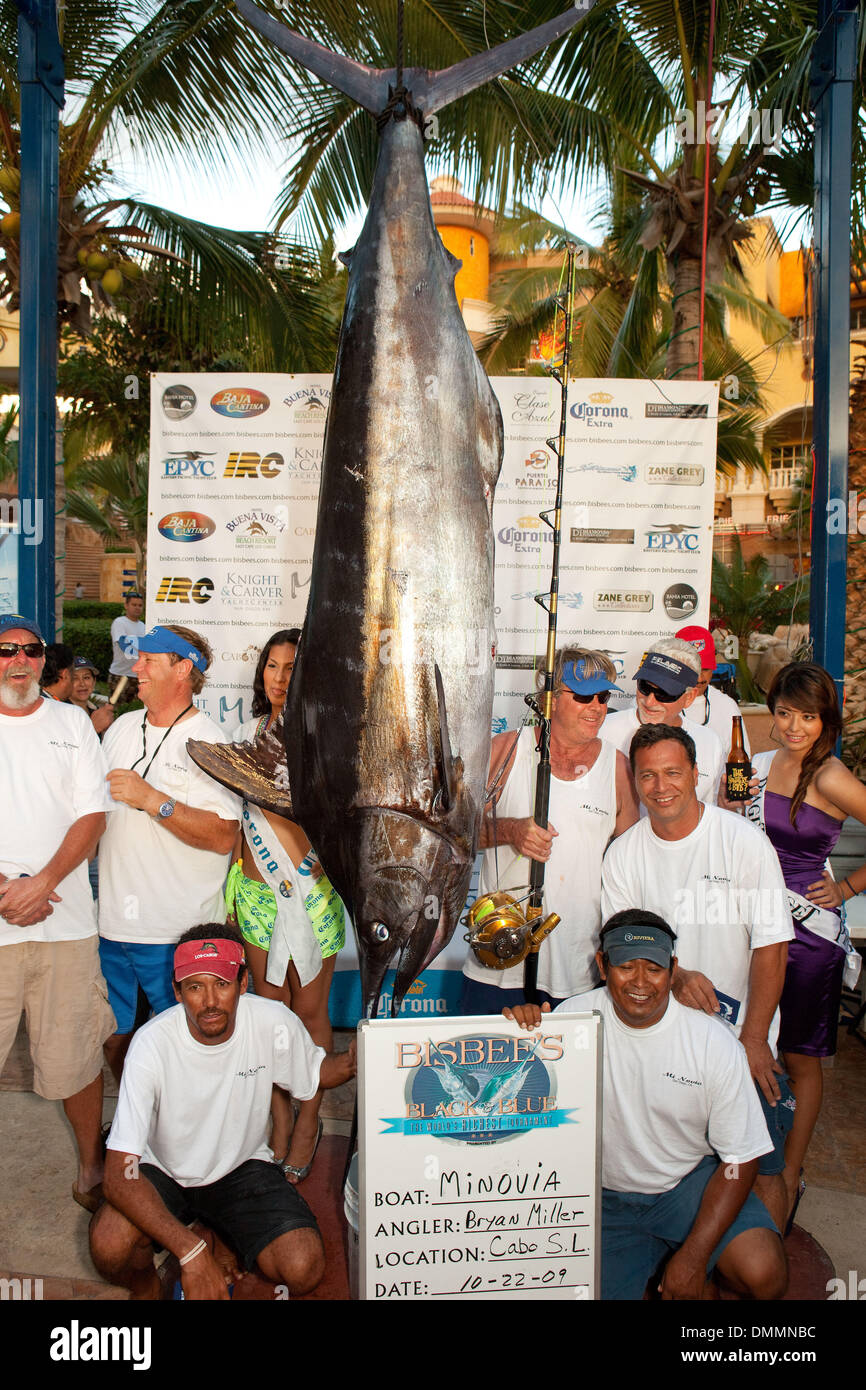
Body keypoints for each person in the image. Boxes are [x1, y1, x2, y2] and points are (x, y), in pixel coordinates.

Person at [504, 911, 787, 1301]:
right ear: (603, 966)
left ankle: (694, 1272)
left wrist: (693, 1257)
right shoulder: (569, 1023)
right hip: (603, 1198)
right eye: (625, 966)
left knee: (763, 1273)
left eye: (654, 968)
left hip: (687, 1186)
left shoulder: (712, 1040)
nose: (640, 982)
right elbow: (505, 1100)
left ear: (673, 970)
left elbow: (740, 1159)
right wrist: (512, 1031)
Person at [89, 924, 356, 1300]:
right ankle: (152, 1284)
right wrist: (191, 1254)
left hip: (241, 1167)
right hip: (163, 1170)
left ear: (243, 984)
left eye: (222, 984)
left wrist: (351, 1061)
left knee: (303, 1268)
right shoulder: (150, 1044)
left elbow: (313, 1074)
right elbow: (119, 1176)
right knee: (108, 1245)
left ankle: (221, 1232)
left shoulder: (271, 1021)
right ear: (178, 992)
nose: (210, 1001)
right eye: (195, 987)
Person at [601, 722, 794, 1233]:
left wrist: (754, 1040)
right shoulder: (623, 854)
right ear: (634, 781)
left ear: (695, 774)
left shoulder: (743, 842)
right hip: (663, 1043)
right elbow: (621, 941)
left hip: (740, 1039)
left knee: (760, 1166)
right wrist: (679, 973)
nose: (660, 788)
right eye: (647, 776)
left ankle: (762, 1270)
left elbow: (772, 945)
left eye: (672, 773)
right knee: (685, 1169)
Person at [0, 613, 115, 1213]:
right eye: (5, 650)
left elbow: (91, 816)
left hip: (67, 924)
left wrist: (42, 882)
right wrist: (8, 892)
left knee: (76, 1056)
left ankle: (92, 1169)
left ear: (46, 660)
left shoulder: (73, 723)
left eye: (31, 649)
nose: (18, 660)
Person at [746, 662, 866, 1229]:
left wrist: (845, 886)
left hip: (807, 937)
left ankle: (790, 1171)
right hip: (752, 924)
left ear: (826, 720)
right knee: (749, 1045)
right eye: (786, 713)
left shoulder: (830, 776)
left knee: (800, 1056)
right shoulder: (762, 764)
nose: (795, 726)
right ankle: (748, 1158)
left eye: (809, 716)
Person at [225, 628, 345, 1182]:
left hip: (311, 894)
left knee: (310, 1014)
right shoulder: (245, 736)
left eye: (291, 667)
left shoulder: (332, 738)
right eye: (272, 667)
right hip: (255, 897)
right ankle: (277, 1116)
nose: (278, 678)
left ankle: (309, 1119)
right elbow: (235, 828)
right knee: (267, 1016)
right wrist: (230, 893)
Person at [459, 647, 639, 1012]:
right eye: (584, 696)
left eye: (603, 696)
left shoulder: (617, 766)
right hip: (498, 957)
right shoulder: (506, 750)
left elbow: (631, 862)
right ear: (550, 699)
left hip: (578, 964)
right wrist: (510, 831)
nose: (597, 707)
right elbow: (457, 834)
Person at [97, 624, 240, 1082]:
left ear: (183, 669)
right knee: (113, 1033)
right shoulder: (121, 727)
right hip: (112, 925)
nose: (135, 668)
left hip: (173, 930)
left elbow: (224, 835)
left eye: (148, 660)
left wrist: (153, 800)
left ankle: (186, 1139)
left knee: (182, 1042)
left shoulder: (209, 741)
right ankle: (136, 1122)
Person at [600, 637, 725, 808]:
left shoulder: (710, 743)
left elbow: (711, 809)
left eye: (664, 694)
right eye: (645, 687)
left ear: (689, 697)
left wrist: (730, 807)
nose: (650, 701)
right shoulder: (602, 730)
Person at [679, 624, 751, 757]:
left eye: (705, 669)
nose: (699, 678)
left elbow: (741, 759)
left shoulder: (727, 706)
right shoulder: (656, 702)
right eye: (693, 670)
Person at [108, 592, 145, 702]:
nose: (137, 608)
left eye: (140, 605)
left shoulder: (143, 626)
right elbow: (123, 644)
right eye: (134, 605)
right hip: (120, 676)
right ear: (126, 605)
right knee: (116, 711)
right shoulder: (119, 623)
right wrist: (142, 652)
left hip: (138, 677)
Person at [70, 654, 114, 736]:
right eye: (75, 678)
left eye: (86, 678)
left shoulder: (96, 710)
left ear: (94, 681)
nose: (82, 684)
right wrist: (93, 728)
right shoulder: (62, 712)